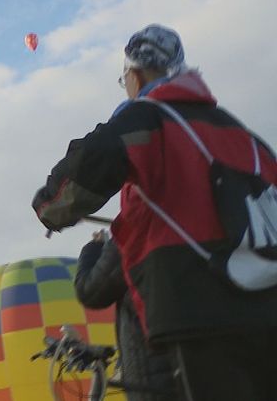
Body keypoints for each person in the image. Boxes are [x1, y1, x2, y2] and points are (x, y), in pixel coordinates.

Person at [32, 24, 277, 400]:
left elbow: (91, 163)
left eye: (124, 78)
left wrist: (49, 208)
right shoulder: (245, 137)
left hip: (196, 310)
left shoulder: (149, 116)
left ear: (134, 74)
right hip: (264, 309)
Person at [73, 230, 174, 399]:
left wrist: (95, 247)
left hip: (154, 376)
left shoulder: (133, 228)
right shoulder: (209, 224)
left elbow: (88, 291)